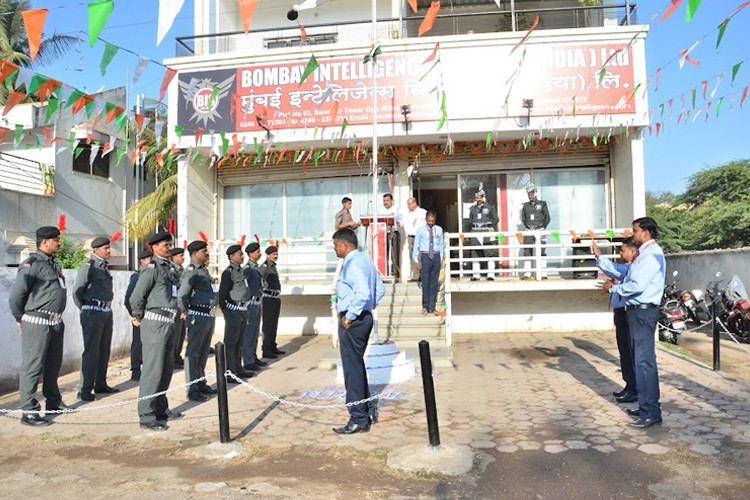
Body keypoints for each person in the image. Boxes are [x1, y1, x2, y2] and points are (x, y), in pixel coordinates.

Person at [601, 217, 666, 429]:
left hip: (643, 312)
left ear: (646, 232)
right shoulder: (644, 255)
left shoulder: (652, 254)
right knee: (640, 362)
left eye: (636, 230)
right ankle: (646, 406)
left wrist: (613, 289)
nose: (633, 234)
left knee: (644, 363)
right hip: (636, 312)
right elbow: (628, 275)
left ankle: (651, 412)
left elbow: (636, 285)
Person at [9, 226, 69, 426]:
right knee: (32, 367)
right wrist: (20, 318)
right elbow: (17, 295)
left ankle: (53, 402)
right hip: (37, 322)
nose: (59, 243)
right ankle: (29, 411)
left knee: (53, 366)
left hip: (55, 322)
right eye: (56, 240)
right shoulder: (32, 264)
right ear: (45, 242)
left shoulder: (53, 264)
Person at [332, 228, 386, 435]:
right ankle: (366, 409)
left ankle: (358, 418)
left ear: (345, 245)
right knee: (356, 365)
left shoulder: (353, 264)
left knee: (351, 369)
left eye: (336, 245)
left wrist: (350, 316)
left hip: (353, 321)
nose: (335, 249)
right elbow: (379, 290)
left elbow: (363, 293)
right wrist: (366, 308)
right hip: (363, 317)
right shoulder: (365, 261)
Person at [128, 232, 184, 431]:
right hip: (155, 323)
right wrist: (138, 316)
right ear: (154, 248)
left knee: (166, 368)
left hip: (169, 322)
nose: (169, 247)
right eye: (165, 244)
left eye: (170, 244)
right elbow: (136, 297)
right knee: (152, 370)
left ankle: (161, 408)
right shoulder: (151, 268)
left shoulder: (169, 268)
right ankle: (146, 414)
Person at [593, 237, 639, 402]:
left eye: (623, 250)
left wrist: (599, 256)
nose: (620, 253)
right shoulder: (629, 269)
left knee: (630, 352)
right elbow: (615, 271)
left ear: (633, 252)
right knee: (624, 352)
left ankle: (634, 389)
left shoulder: (633, 268)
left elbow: (614, 269)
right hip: (621, 312)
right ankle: (630, 386)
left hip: (628, 313)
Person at [73, 236, 117, 402]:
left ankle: (100, 383)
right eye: (105, 248)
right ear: (96, 250)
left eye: (108, 247)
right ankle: (84, 389)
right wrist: (84, 309)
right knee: (91, 351)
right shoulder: (89, 266)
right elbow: (78, 290)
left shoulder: (104, 266)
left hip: (106, 311)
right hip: (92, 312)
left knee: (104, 350)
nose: (109, 250)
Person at [177, 240, 219, 402]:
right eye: (204, 251)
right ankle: (192, 388)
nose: (207, 253)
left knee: (203, 353)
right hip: (197, 315)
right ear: (194, 254)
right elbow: (182, 294)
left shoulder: (204, 271)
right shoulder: (191, 271)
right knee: (193, 353)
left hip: (208, 315)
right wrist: (186, 312)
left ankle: (201, 383)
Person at [218, 244, 255, 382]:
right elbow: (223, 293)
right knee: (231, 342)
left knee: (239, 342)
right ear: (232, 257)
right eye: (240, 254)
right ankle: (230, 372)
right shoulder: (228, 272)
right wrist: (225, 308)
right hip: (233, 310)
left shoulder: (241, 271)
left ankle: (238, 369)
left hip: (243, 310)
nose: (242, 256)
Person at [124, 248, 153, 382]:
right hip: (140, 315)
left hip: (152, 315)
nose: (152, 262)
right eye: (149, 259)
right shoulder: (137, 276)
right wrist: (135, 316)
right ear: (142, 261)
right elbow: (129, 298)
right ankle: (135, 370)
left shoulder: (153, 275)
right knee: (138, 343)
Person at [413, 210, 444, 315]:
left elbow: (441, 245)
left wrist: (441, 258)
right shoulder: (420, 230)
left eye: (432, 221)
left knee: (434, 283)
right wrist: (416, 260)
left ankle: (432, 307)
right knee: (426, 282)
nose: (431, 223)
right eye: (429, 221)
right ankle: (425, 306)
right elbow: (416, 245)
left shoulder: (439, 230)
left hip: (435, 255)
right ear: (426, 220)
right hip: (425, 255)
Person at [242, 242, 267, 372]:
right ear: (251, 254)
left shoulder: (256, 268)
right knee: (249, 333)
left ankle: (253, 356)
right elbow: (244, 286)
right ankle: (248, 360)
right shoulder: (247, 268)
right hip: (250, 303)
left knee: (255, 332)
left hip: (257, 302)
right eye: (257, 251)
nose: (260, 253)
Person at [466, 188, 499, 281]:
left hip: (487, 231)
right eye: (477, 197)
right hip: (476, 231)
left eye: (480, 197)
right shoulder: (473, 208)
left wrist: (489, 223)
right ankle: (476, 275)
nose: (478, 199)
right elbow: (470, 220)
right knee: (475, 253)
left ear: (483, 197)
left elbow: (496, 219)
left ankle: (491, 274)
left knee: (490, 253)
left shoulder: (489, 207)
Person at [521, 183, 551, 280]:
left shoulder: (542, 204)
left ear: (535, 193)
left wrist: (542, 227)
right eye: (528, 194)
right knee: (527, 251)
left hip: (540, 229)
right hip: (529, 229)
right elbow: (523, 218)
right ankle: (527, 273)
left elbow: (548, 218)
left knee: (542, 251)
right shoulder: (525, 205)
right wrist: (529, 226)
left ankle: (543, 273)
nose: (530, 196)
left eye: (531, 194)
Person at [261, 245, 286, 359]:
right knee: (268, 324)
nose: (275, 256)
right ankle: (266, 348)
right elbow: (259, 279)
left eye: (276, 254)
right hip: (268, 298)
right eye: (273, 254)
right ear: (267, 255)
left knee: (274, 323)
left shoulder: (273, 266)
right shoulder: (265, 266)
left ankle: (272, 345)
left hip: (275, 297)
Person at [169, 247, 187, 368]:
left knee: (181, 333)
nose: (183, 258)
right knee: (175, 333)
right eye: (180, 255)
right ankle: (172, 358)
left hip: (182, 304)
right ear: (173, 257)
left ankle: (177, 355)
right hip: (175, 304)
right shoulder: (171, 270)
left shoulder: (182, 270)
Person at [403, 197, 427, 282]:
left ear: (414, 203)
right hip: (410, 236)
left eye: (409, 204)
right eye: (408, 204)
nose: (408, 206)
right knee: (412, 255)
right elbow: (405, 224)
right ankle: (415, 275)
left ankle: (422, 274)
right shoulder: (407, 214)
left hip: (420, 236)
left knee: (420, 255)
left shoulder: (422, 212)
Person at [381, 193, 403, 279]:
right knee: (384, 254)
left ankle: (395, 275)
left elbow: (401, 221)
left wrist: (398, 222)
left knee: (394, 254)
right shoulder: (381, 210)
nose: (385, 202)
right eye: (384, 201)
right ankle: (384, 273)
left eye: (387, 201)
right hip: (383, 234)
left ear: (392, 201)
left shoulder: (397, 210)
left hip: (394, 233)